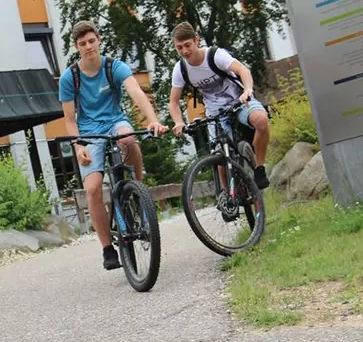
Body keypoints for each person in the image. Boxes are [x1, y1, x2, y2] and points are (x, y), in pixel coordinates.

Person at [58, 20, 168, 271]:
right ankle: (107, 248)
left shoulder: (113, 67)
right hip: (88, 133)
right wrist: (78, 145)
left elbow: (136, 93)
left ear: (99, 39)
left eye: (91, 41)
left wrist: (153, 121)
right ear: (77, 47)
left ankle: (138, 191)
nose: (88, 47)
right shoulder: (69, 78)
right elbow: (69, 119)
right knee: (94, 189)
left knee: (128, 138)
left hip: (115, 122)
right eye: (82, 43)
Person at [168, 21, 271, 189]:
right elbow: (173, 102)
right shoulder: (180, 69)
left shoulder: (215, 55)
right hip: (216, 111)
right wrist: (178, 121)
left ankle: (259, 168)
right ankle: (228, 195)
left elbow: (243, 70)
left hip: (239, 100)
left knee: (261, 120)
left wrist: (248, 89)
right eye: (179, 47)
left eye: (187, 45)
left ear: (196, 40)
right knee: (220, 155)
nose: (184, 51)